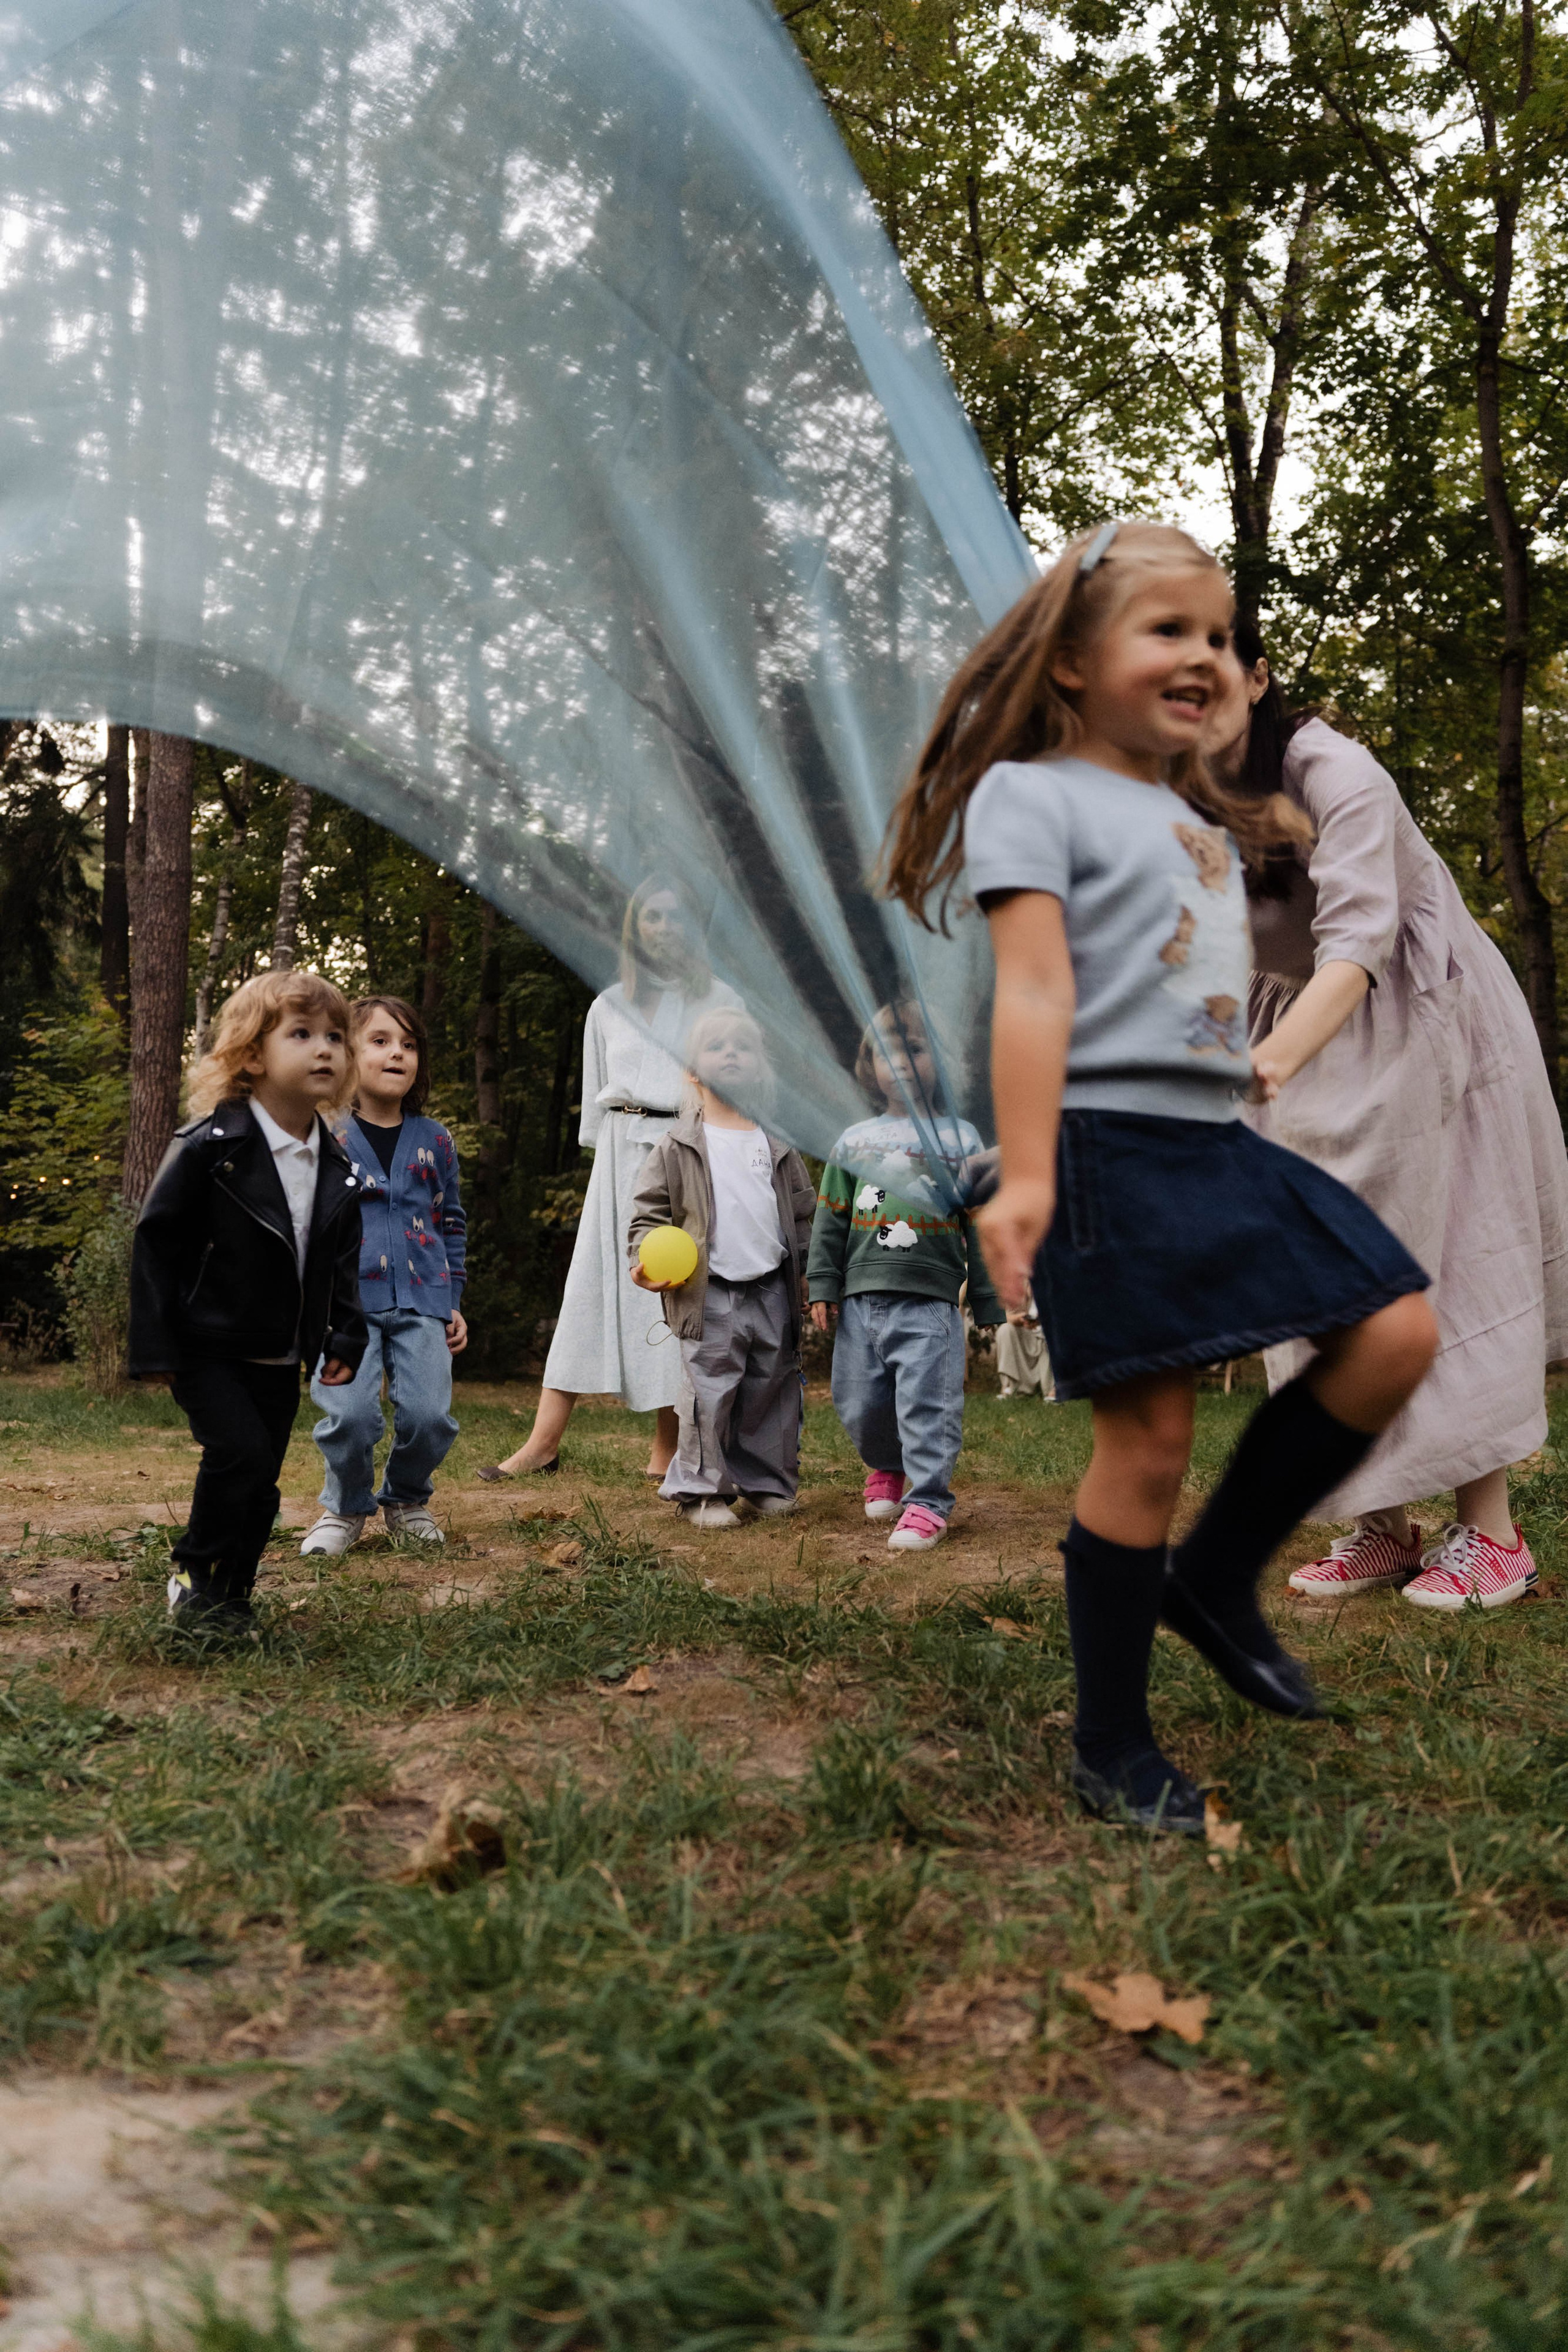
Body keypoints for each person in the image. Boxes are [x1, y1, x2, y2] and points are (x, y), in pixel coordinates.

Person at [881, 517, 1439, 1834]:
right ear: (1071, 664)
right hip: (1093, 1145)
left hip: (1209, 1136)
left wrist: (1233, 1061)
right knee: (1146, 1441)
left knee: (1394, 1327)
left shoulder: (1191, 810)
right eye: (1169, 631)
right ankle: (1111, 1743)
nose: (1206, 656)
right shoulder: (1029, 795)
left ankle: (1215, 1577)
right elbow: (1030, 992)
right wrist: (1021, 1177)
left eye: (1221, 637)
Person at [1213, 619, 1568, 1611]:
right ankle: (1380, 1525)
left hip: (1412, 1016)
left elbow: (1360, 940)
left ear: (1257, 678)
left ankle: (1492, 1534)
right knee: (1319, 1274)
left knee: (1441, 1254)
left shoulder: (1336, 774)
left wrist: (1269, 1063)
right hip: (1293, 1022)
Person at [128, 970, 368, 1637]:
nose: (324, 1049)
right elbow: (157, 1243)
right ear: (254, 1055)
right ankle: (193, 1578)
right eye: (302, 1034)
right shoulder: (212, 1147)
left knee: (262, 1479)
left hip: (279, 1349)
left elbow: (341, 1265)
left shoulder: (337, 1164)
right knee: (239, 1457)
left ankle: (233, 1593)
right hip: (207, 1341)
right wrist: (154, 1346)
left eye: (335, 1037)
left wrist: (345, 1338)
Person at [477, 876, 739, 1483]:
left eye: (676, 916)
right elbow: (596, 1101)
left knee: (674, 1292)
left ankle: (666, 1449)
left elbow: (735, 1082)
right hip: (620, 1160)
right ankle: (542, 1443)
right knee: (591, 1289)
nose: (665, 927)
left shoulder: (719, 998)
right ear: (635, 928)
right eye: (652, 916)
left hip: (685, 1153)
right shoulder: (608, 1005)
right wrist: (607, 1163)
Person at [807, 1000, 1003, 1550]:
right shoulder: (852, 1141)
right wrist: (822, 1282)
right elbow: (830, 1218)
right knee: (858, 1401)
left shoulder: (960, 1139)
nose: (901, 1062)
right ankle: (885, 1466)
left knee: (927, 1402)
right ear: (869, 1067)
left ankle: (928, 1502)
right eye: (887, 1051)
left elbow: (983, 1220)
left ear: (938, 1061)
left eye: (915, 1049)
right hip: (861, 1298)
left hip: (929, 1300)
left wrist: (986, 1296)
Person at [627, 1008, 816, 1528]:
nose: (730, 1054)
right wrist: (643, 1265)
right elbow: (648, 1217)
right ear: (692, 1070)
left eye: (743, 1047)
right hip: (707, 1292)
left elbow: (802, 1213)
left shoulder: (776, 1143)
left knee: (770, 1389)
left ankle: (765, 1483)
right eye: (716, 1047)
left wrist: (806, 1278)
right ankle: (702, 1491)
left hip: (772, 1287)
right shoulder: (679, 1144)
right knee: (709, 1391)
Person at [301, 995, 467, 1557]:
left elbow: (451, 1222)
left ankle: (405, 1499)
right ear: (349, 1052)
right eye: (380, 1041)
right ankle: (345, 1508)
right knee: (348, 1416)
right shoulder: (322, 1134)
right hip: (341, 1309)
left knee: (430, 1417)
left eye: (409, 1044)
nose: (397, 1053)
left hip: (424, 1302)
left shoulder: (436, 1140)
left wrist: (454, 1300)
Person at [995, 1286, 1054, 1398]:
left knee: (1054, 1335)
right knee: (1005, 1330)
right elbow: (1004, 1316)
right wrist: (1019, 1319)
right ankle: (1010, 1387)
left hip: (1046, 1335)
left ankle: (1054, 1388)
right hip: (1027, 1335)